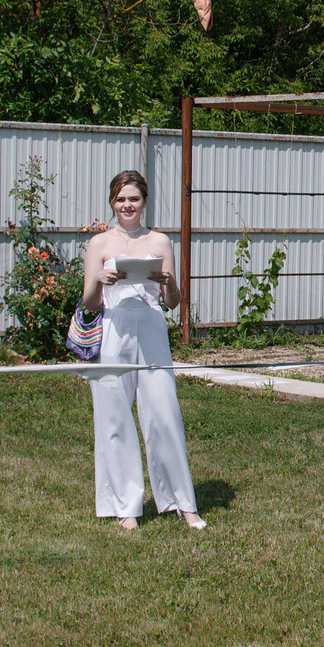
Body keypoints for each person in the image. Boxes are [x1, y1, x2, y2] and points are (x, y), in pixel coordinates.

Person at [82, 169, 200, 533]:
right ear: (112, 203)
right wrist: (99, 281)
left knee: (165, 414)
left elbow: (174, 302)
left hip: (151, 328)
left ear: (144, 202)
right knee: (114, 418)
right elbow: (88, 304)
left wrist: (169, 282)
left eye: (133, 198)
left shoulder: (161, 241)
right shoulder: (99, 245)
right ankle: (124, 506)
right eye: (120, 199)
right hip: (113, 330)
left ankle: (183, 503)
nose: (127, 205)